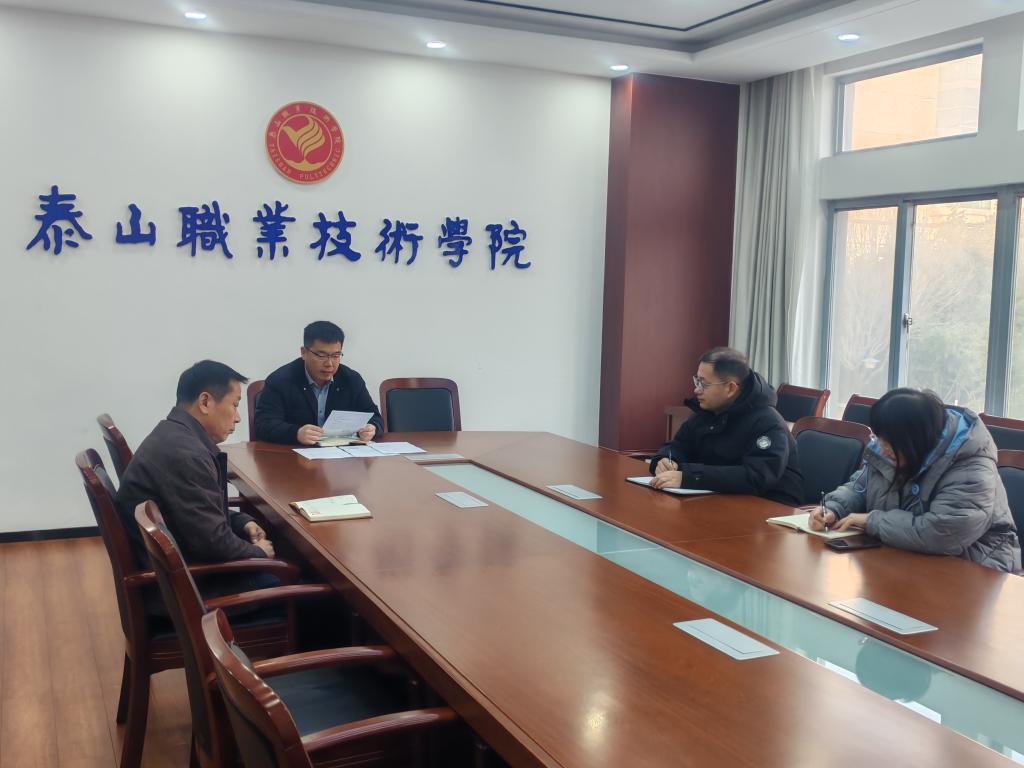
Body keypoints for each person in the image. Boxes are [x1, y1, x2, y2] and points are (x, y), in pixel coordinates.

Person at [810, 388, 1021, 572]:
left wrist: (871, 521)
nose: (881, 447)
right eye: (879, 437)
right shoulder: (893, 449)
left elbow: (941, 535)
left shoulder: (970, 467)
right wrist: (833, 508)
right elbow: (860, 488)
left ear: (916, 438)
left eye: (889, 442)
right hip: (905, 553)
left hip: (976, 568)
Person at [116, 360, 275, 570]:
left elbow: (197, 512)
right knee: (298, 576)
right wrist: (260, 552)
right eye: (235, 405)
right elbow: (213, 544)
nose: (237, 418)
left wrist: (241, 521)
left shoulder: (173, 435)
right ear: (205, 402)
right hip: (189, 579)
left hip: (177, 560)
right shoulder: (187, 456)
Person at [649, 347, 803, 505]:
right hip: (717, 499)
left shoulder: (768, 422)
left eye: (704, 384)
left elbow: (756, 476)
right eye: (697, 381)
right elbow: (679, 445)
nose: (696, 390)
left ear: (731, 388)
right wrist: (666, 459)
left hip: (769, 508)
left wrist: (690, 477)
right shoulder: (707, 412)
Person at [254, 321, 383, 445]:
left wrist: (371, 428)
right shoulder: (281, 380)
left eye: (336, 356)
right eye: (321, 356)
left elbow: (375, 417)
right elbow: (263, 424)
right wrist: (296, 433)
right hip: (294, 455)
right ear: (304, 352)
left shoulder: (351, 379)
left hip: (340, 456)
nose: (329, 363)